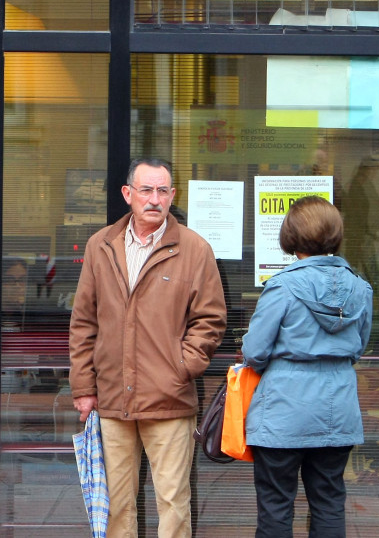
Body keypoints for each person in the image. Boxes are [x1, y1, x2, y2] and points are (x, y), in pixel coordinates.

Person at [69, 157, 227, 538]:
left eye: (162, 191)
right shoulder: (100, 245)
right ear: (128, 194)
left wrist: (181, 366)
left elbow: (211, 319)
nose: (154, 199)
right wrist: (83, 388)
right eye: (146, 190)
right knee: (117, 505)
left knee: (173, 502)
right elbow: (83, 322)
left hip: (169, 398)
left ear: (172, 196)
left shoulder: (194, 249)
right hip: (111, 397)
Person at [241, 196, 373, 538]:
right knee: (329, 502)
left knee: (276, 506)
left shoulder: (282, 287)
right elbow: (357, 348)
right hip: (338, 408)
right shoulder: (360, 288)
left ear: (290, 237)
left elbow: (254, 352)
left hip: (283, 411)